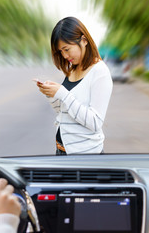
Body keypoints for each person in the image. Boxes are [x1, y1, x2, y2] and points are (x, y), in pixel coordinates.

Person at [36, 16, 113, 155]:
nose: (64, 56)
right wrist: (51, 94)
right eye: (61, 51)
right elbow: (63, 111)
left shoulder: (100, 71)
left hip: (85, 156)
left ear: (83, 41)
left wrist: (62, 93)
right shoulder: (73, 69)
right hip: (62, 151)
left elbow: (95, 123)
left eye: (66, 49)